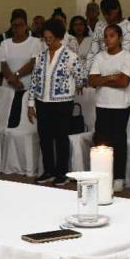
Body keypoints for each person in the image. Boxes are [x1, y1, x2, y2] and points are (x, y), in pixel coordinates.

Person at [27, 19, 87, 186]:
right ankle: (48, 171)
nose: (48, 41)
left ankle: (62, 172)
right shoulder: (40, 57)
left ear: (59, 37)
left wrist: (77, 85)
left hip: (62, 103)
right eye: (45, 38)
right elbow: (34, 81)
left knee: (61, 138)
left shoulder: (70, 56)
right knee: (44, 137)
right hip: (42, 102)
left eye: (51, 38)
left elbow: (82, 75)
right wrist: (30, 104)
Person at [89, 24, 130, 192]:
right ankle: (102, 175)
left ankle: (119, 177)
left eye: (112, 36)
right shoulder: (99, 57)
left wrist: (103, 79)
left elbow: (124, 82)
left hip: (120, 105)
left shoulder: (127, 56)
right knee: (101, 141)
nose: (108, 39)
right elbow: (92, 81)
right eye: (106, 36)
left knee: (118, 141)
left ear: (120, 38)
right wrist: (111, 77)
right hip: (102, 104)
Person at [0, 9, 40, 129]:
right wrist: (13, 81)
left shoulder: (35, 42)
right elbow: (3, 65)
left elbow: (33, 63)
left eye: (21, 25)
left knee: (26, 124)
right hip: (9, 89)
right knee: (10, 123)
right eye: (14, 25)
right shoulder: (5, 44)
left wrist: (16, 76)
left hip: (27, 88)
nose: (17, 28)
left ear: (26, 25)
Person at [85, 0, 130, 70]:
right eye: (104, 14)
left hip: (119, 69)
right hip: (98, 69)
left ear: (117, 9)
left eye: (109, 14)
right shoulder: (99, 25)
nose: (106, 17)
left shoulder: (128, 26)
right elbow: (93, 51)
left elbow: (123, 53)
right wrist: (88, 70)